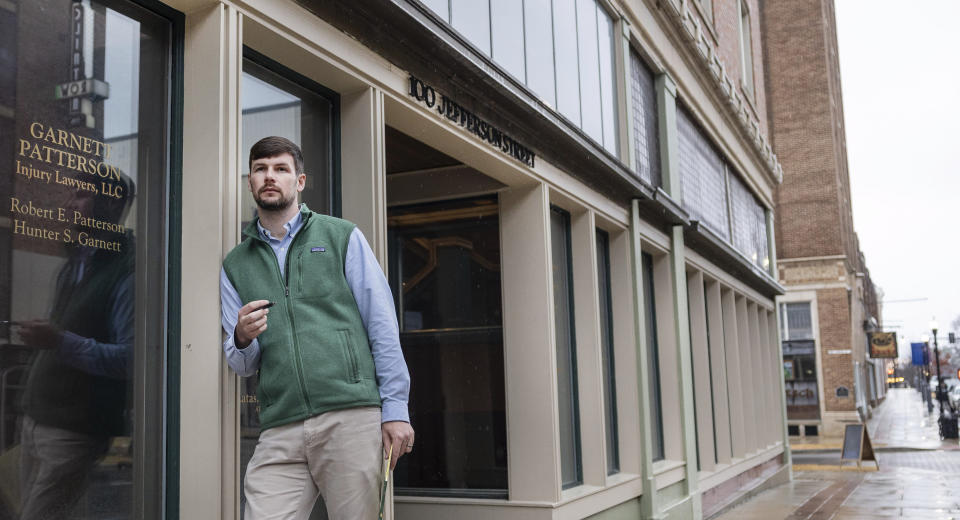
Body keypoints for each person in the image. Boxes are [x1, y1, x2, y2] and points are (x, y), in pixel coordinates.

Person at [220, 136, 413, 519]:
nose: (269, 177)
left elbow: (382, 325)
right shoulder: (235, 264)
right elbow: (243, 365)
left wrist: (396, 408)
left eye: (280, 168)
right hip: (280, 426)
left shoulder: (341, 237)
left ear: (300, 181)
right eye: (260, 169)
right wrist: (241, 337)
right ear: (249, 182)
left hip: (350, 416)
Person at [17, 173, 136, 520]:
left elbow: (131, 359)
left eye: (81, 196)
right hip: (37, 420)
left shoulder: (127, 271)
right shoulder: (75, 264)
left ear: (111, 204)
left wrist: (59, 341)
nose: (69, 205)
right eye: (70, 195)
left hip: (74, 431)